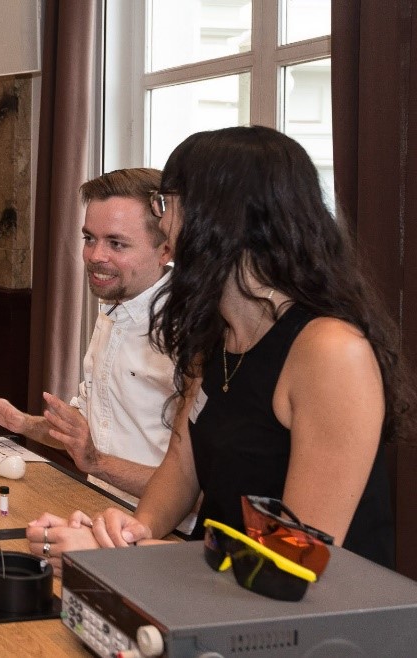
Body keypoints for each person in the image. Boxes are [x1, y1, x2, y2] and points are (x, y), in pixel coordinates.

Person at [31, 126, 412, 571]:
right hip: (217, 597)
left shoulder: (330, 351)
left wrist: (120, 555)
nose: (163, 222)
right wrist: (134, 530)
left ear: (220, 217)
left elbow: (294, 561)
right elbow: (182, 466)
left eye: (166, 203)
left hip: (316, 625)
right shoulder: (215, 332)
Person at [0, 168, 174, 499]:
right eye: (90, 239)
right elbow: (87, 430)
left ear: (166, 249)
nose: (96, 256)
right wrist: (21, 423)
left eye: (116, 243)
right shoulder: (113, 308)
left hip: (162, 535)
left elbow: (195, 487)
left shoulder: (190, 333)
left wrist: (97, 463)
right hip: (101, 511)